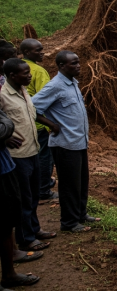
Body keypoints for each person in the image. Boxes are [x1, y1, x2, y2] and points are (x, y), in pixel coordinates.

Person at [32, 51, 98, 233]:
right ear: (61, 66)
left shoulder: (72, 83)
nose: (78, 66)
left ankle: (80, 214)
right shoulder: (55, 86)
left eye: (78, 62)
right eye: (73, 63)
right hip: (64, 144)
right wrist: (51, 125)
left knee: (81, 181)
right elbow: (32, 107)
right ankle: (69, 223)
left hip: (79, 142)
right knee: (69, 185)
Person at [1, 59, 59, 252]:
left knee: (33, 195)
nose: (29, 75)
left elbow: (32, 115)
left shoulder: (23, 91)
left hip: (33, 149)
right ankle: (25, 238)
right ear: (12, 76)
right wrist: (4, 138)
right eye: (25, 73)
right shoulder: (3, 96)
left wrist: (50, 124)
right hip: (17, 155)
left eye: (29, 72)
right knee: (23, 198)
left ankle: (34, 229)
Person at [0, 106, 40, 288]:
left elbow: (5, 124)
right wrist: (5, 129)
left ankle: (9, 271)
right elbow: (6, 125)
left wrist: (5, 130)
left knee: (8, 220)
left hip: (5, 165)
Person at [19, 39, 56, 202]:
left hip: (23, 122)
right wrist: (51, 123)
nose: (42, 53)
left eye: (42, 49)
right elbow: (48, 98)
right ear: (27, 52)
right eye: (37, 50)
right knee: (44, 157)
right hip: (39, 123)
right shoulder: (38, 71)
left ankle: (33, 186)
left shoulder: (16, 66)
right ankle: (43, 189)